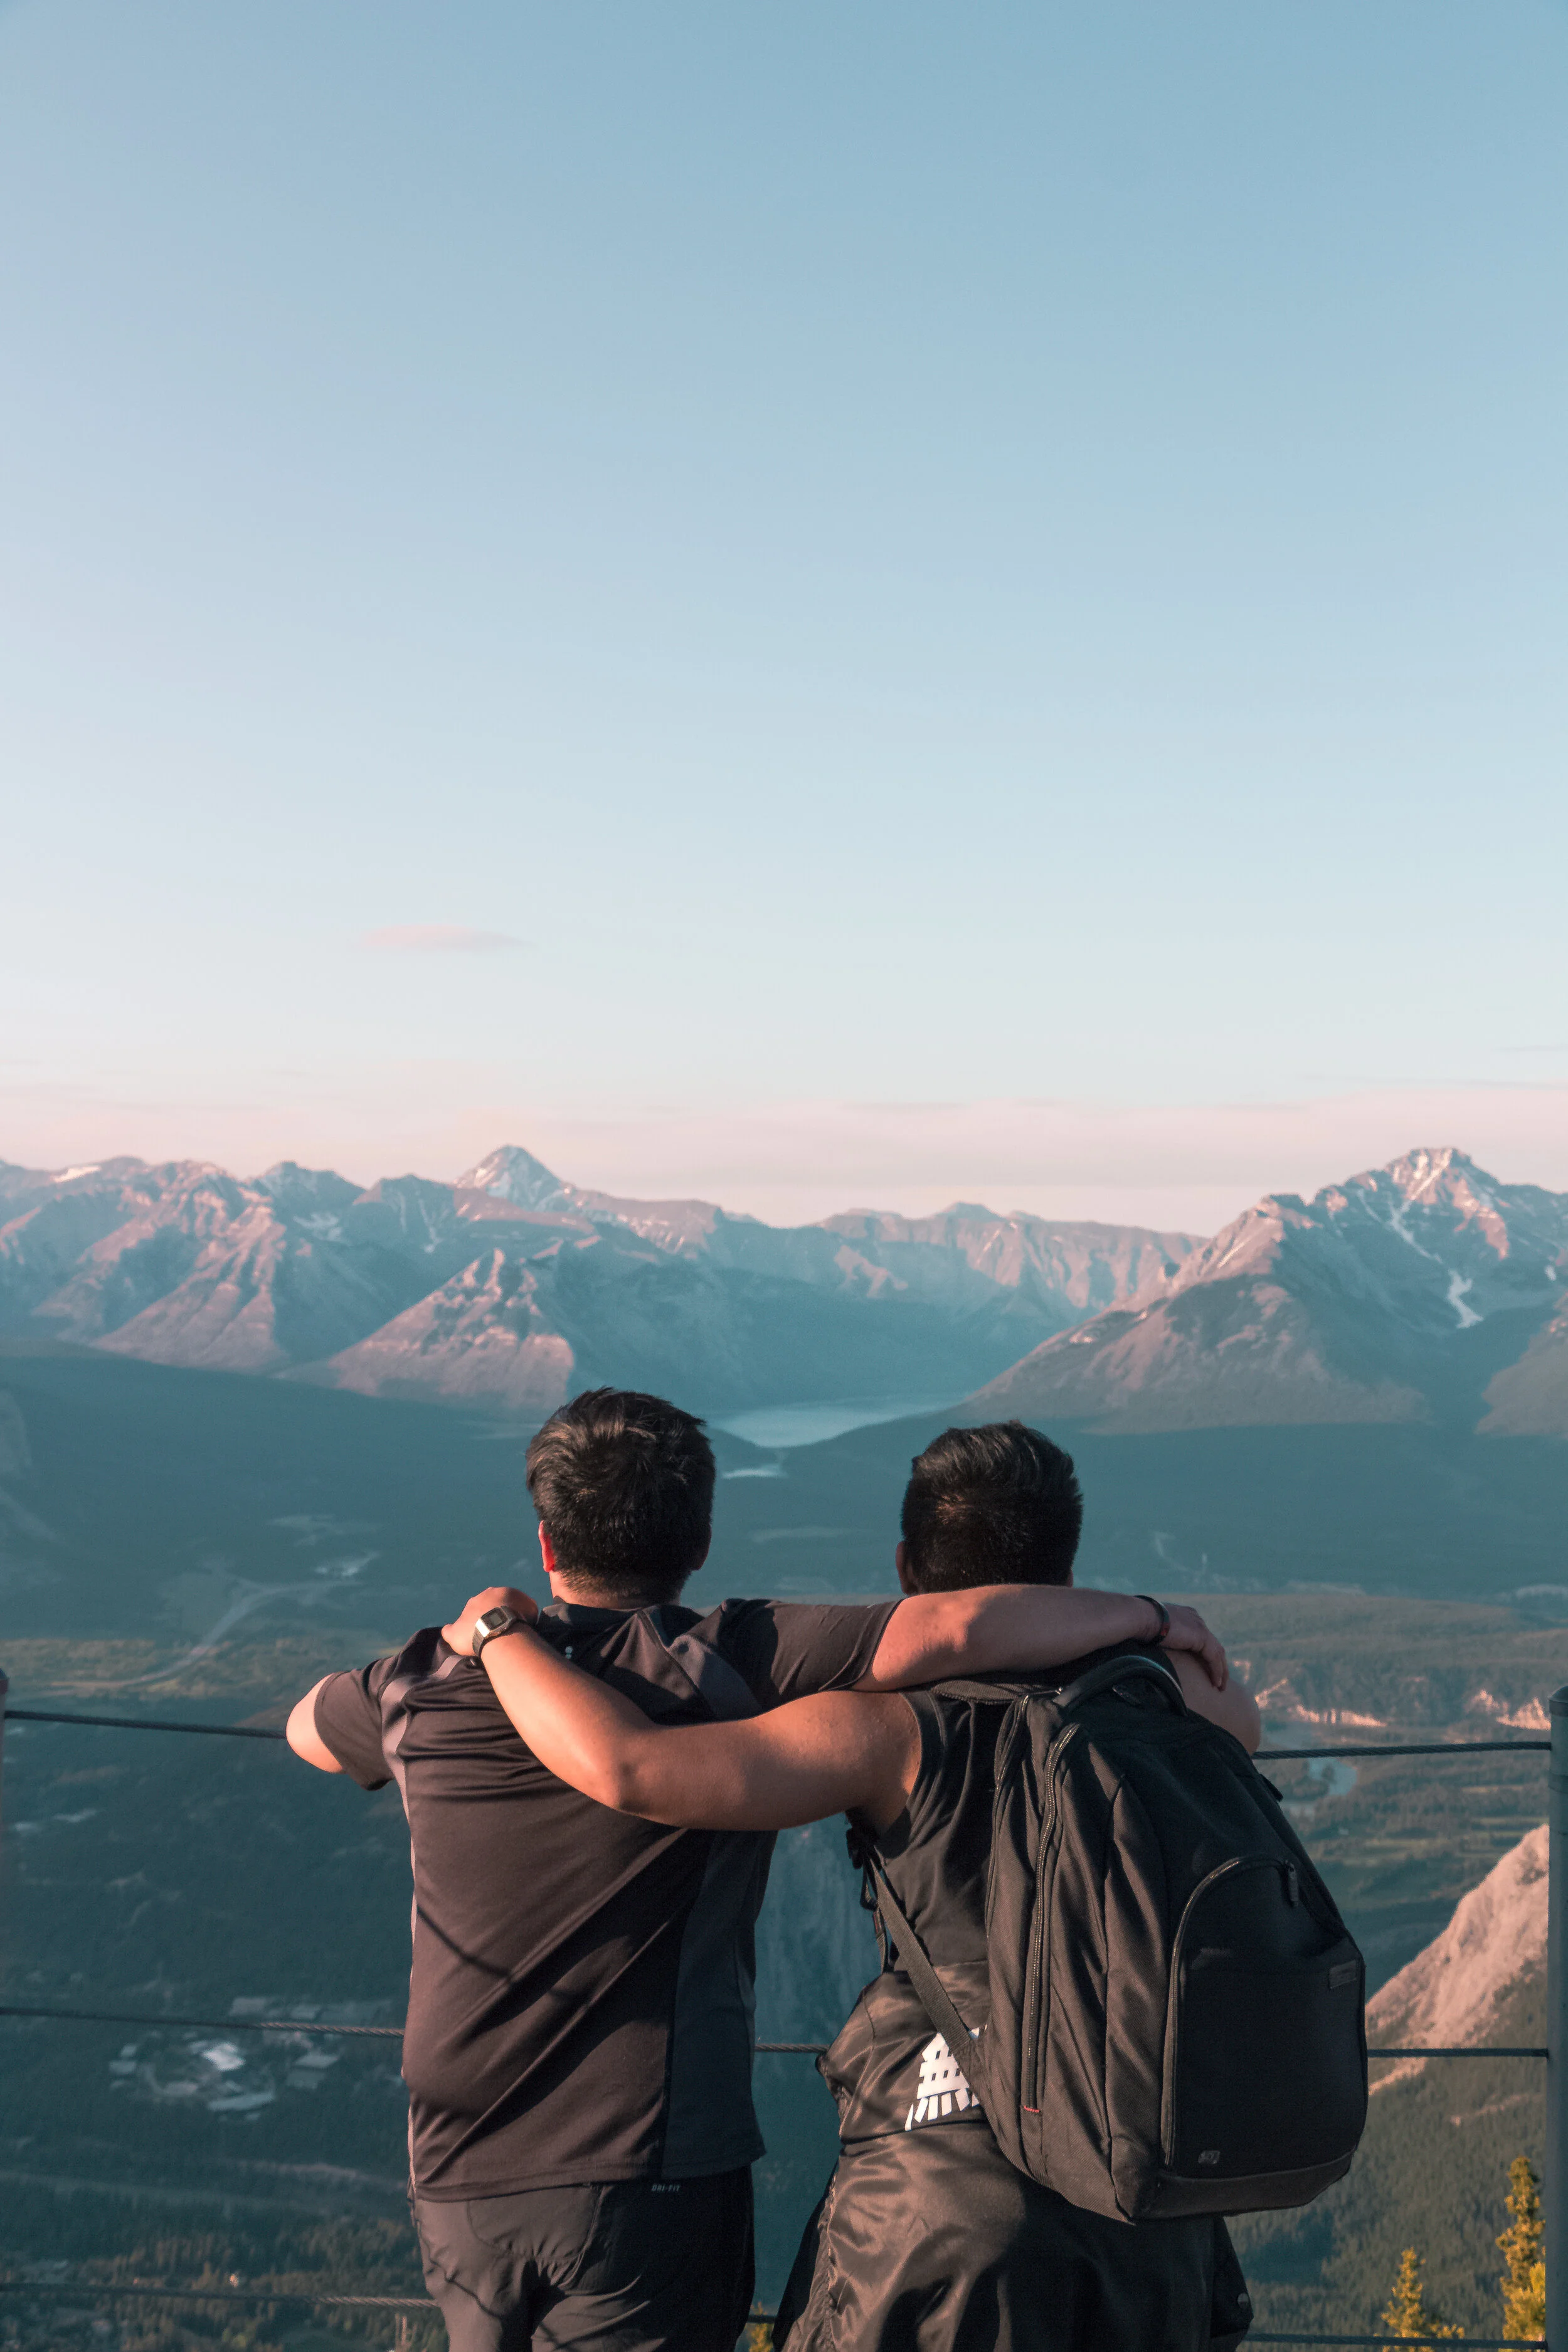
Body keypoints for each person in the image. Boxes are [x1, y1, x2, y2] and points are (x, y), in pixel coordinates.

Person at [289, 1386, 1232, 2352]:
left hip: (459, 2166)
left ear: (546, 1541)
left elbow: (305, 1727)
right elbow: (952, 1633)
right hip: (651, 2162)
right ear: (700, 1541)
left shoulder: (422, 1679)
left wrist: (482, 1632)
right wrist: (1151, 1619)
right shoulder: (734, 1658)